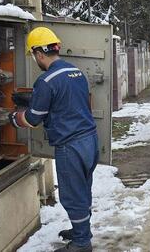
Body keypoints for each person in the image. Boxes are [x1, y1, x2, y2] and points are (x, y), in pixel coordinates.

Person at [8, 27, 98, 251]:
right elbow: (69, 100)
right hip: (89, 139)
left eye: (33, 55)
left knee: (71, 194)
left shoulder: (45, 81)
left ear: (39, 54)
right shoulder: (75, 71)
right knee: (83, 189)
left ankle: (81, 243)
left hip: (70, 145)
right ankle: (81, 230)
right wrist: (35, 98)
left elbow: (33, 119)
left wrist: (15, 118)